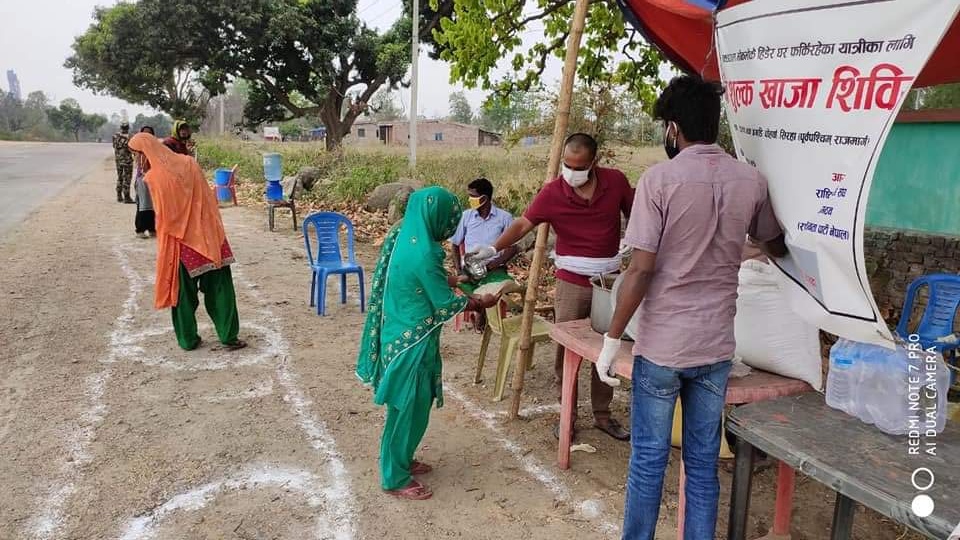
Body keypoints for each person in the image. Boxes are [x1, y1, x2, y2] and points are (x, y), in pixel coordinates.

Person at [597, 75, 787, 540]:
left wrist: (611, 339)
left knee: (648, 461)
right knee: (702, 467)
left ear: (674, 128)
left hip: (663, 347)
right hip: (716, 349)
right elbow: (776, 243)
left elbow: (640, 270)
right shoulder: (751, 180)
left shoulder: (659, 179)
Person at [469, 133, 634, 442]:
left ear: (594, 163)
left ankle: (602, 414)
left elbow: (637, 212)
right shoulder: (553, 192)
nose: (572, 171)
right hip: (571, 281)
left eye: (579, 166)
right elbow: (522, 225)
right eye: (567, 165)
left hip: (609, 283)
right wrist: (492, 249)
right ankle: (567, 415)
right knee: (567, 349)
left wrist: (634, 242)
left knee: (609, 348)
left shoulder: (616, 182)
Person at [356, 186, 499, 501]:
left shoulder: (403, 237)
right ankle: (394, 476)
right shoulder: (425, 252)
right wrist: (479, 302)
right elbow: (444, 304)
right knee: (407, 407)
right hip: (413, 342)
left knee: (413, 405)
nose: (449, 224)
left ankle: (403, 459)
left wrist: (452, 279)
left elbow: (419, 277)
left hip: (400, 331)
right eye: (447, 217)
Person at [127, 132, 247, 352]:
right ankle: (229, 335)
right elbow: (208, 200)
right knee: (221, 289)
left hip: (181, 243)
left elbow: (164, 217)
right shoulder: (189, 162)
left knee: (182, 294)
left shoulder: (153, 178)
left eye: (137, 155)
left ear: (145, 153)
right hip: (210, 236)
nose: (138, 161)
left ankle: (188, 339)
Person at [449, 177, 519, 330]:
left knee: (495, 287)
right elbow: (455, 244)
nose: (470, 200)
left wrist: (495, 264)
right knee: (468, 284)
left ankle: (482, 315)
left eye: (473, 196)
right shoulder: (466, 216)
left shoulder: (504, 218)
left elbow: (513, 248)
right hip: (469, 267)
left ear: (484, 198)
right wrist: (458, 269)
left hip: (494, 267)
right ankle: (480, 311)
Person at [134, 126, 157, 238]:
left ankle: (152, 228)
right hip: (142, 179)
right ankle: (140, 229)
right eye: (144, 134)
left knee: (153, 205)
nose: (147, 136)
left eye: (149, 134)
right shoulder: (140, 150)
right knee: (143, 205)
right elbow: (142, 167)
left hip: (153, 179)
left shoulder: (156, 149)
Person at [112, 122, 135, 203]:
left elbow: (114, 146)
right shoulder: (131, 137)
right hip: (127, 160)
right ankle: (127, 197)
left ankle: (119, 196)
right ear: (128, 128)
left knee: (120, 177)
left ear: (120, 127)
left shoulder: (115, 136)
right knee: (127, 178)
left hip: (118, 160)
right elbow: (132, 148)